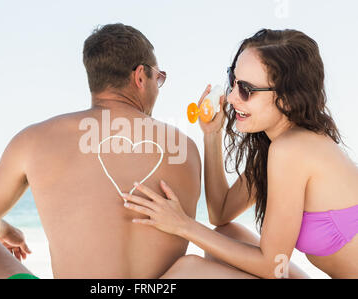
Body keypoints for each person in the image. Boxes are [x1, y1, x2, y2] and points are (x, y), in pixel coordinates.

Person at [0, 23, 202, 279]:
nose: (157, 88)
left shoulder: (34, 139)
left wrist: (3, 229)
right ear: (140, 76)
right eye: (158, 78)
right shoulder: (184, 147)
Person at [123, 29, 358, 279]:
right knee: (227, 234)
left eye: (247, 89)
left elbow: (271, 266)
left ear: (288, 99)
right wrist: (212, 135)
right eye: (233, 80)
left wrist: (183, 225)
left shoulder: (291, 150)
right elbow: (221, 214)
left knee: (188, 271)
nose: (232, 97)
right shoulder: (280, 145)